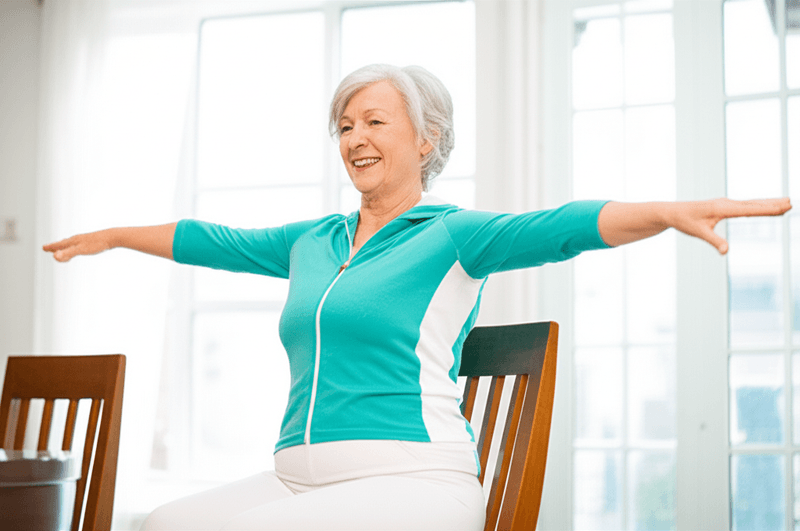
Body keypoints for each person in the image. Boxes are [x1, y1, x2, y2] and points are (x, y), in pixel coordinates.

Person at [44, 64, 791, 531]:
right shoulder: (316, 240)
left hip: (413, 478)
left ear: (426, 140)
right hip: (297, 475)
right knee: (164, 521)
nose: (354, 137)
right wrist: (112, 233)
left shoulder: (453, 236)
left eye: (375, 121)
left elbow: (561, 227)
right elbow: (214, 240)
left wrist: (664, 212)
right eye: (344, 125)